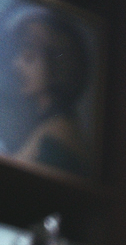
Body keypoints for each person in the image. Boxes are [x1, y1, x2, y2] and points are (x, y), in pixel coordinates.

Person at [10, 10, 90, 176]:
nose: (17, 64)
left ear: (57, 64)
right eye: (19, 53)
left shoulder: (57, 136)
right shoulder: (51, 127)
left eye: (30, 56)